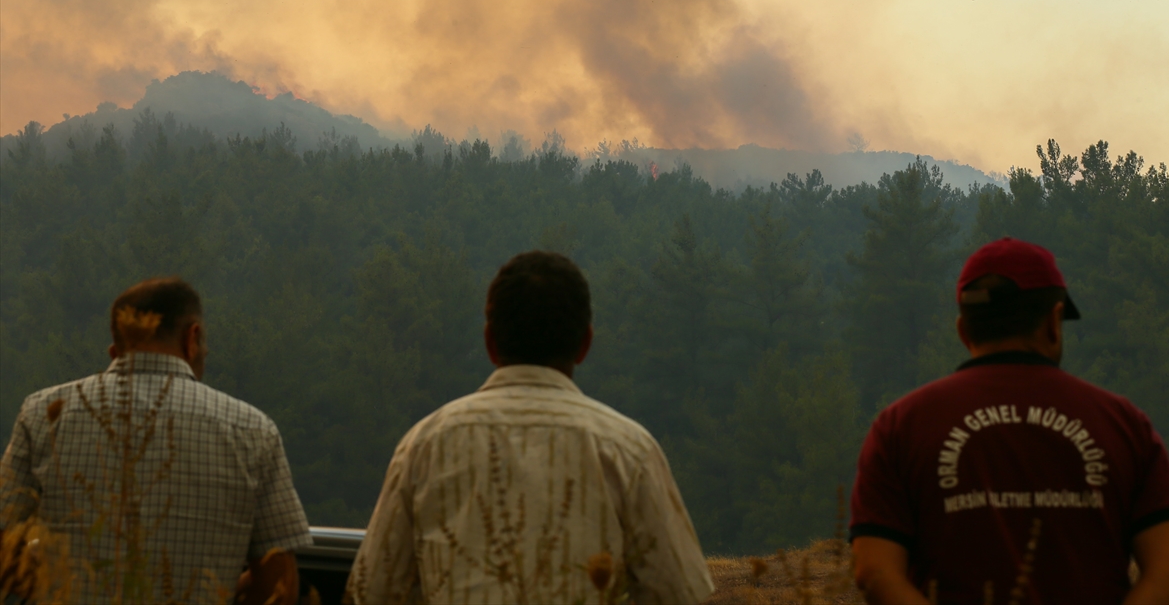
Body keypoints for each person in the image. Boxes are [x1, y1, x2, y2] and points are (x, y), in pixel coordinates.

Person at [348, 250, 714, 605]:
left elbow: (371, 591)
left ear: (490, 342)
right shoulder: (630, 451)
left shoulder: (423, 446)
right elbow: (680, 593)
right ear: (585, 343)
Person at [850, 237, 1169, 605]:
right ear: (1052, 322)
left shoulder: (900, 426)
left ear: (964, 331)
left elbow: (874, 571)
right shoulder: (1123, 423)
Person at [0, 277, 312, 604]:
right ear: (192, 339)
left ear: (115, 350)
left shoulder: (42, 413)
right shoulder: (254, 430)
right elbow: (280, 583)